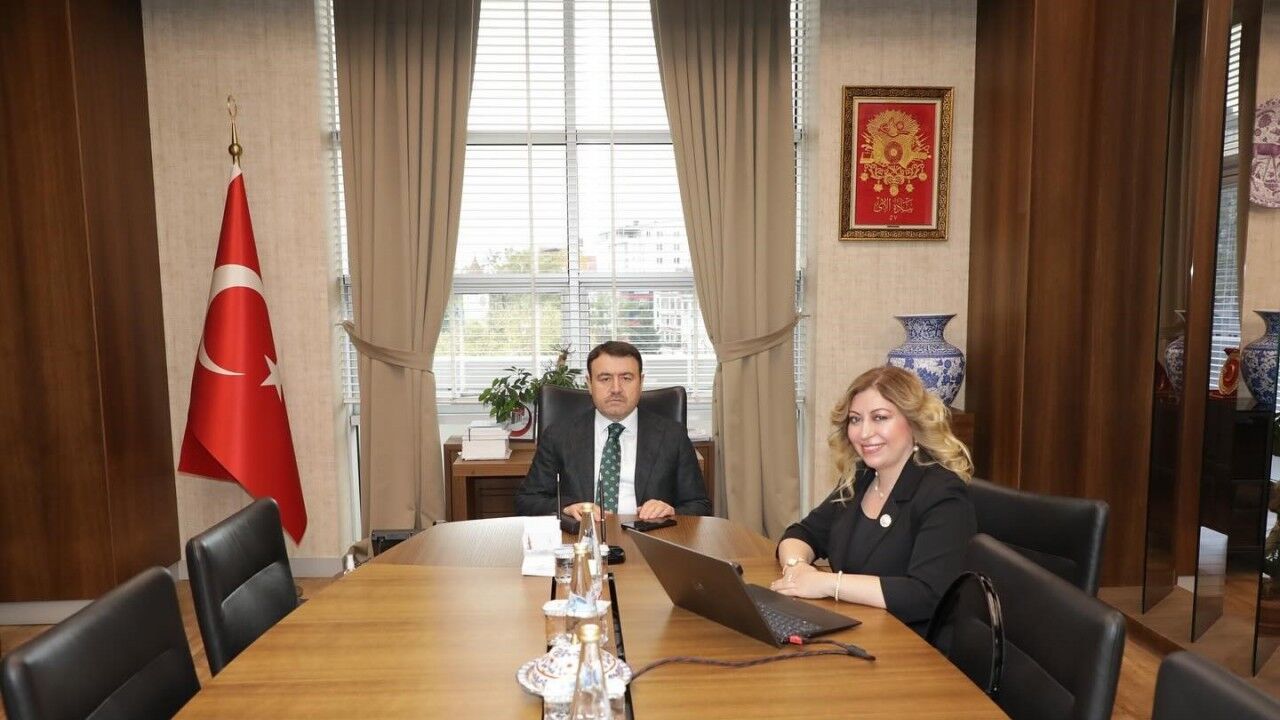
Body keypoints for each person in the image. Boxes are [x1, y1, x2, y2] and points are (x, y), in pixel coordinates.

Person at [771, 365, 975, 633]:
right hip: (859, 627)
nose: (864, 433)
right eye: (855, 419)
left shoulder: (943, 494)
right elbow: (802, 533)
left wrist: (827, 584)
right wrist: (796, 569)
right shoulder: (861, 477)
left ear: (913, 422)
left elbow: (927, 594)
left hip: (911, 645)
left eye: (880, 417)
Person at [514, 340, 712, 520]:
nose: (616, 388)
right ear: (589, 384)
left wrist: (671, 511)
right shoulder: (559, 435)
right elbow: (528, 501)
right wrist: (566, 508)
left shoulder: (672, 436)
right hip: (582, 539)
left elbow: (699, 505)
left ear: (641, 382)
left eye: (626, 378)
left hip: (649, 537)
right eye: (605, 378)